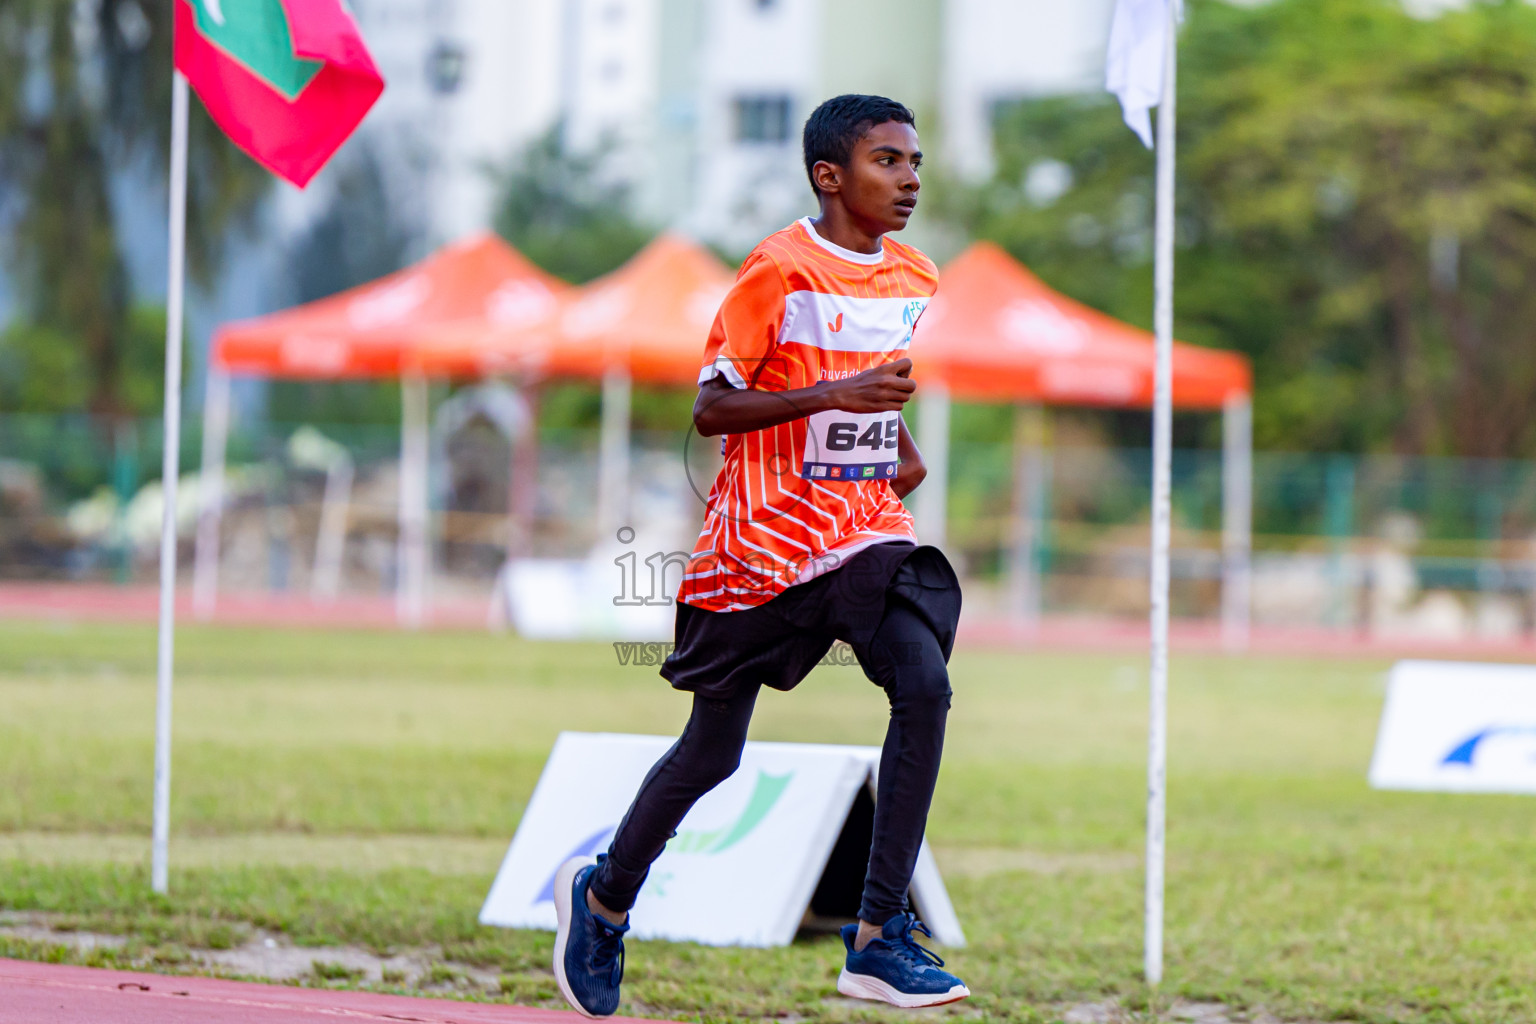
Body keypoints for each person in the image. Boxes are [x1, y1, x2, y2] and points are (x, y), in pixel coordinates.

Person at [552, 94, 967, 1018]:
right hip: (762, 543)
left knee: (925, 684)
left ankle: (877, 938)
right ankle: (605, 897)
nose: (908, 179)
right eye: (887, 162)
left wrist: (893, 448)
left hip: (861, 532)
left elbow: (876, 394)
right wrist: (842, 393)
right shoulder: (774, 271)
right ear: (831, 175)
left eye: (914, 163)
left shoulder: (915, 277)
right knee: (712, 753)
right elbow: (714, 407)